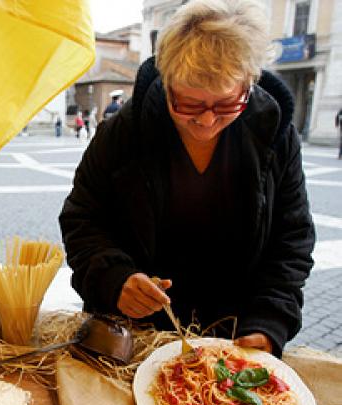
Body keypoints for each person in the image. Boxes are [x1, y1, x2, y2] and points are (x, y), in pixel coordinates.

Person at [59, 0, 315, 357]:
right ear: (167, 84)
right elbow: (81, 218)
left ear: (248, 84)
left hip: (234, 338)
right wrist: (113, 278)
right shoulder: (123, 133)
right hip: (134, 338)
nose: (207, 122)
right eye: (189, 105)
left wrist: (271, 319)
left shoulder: (274, 135)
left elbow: (292, 239)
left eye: (226, 105)